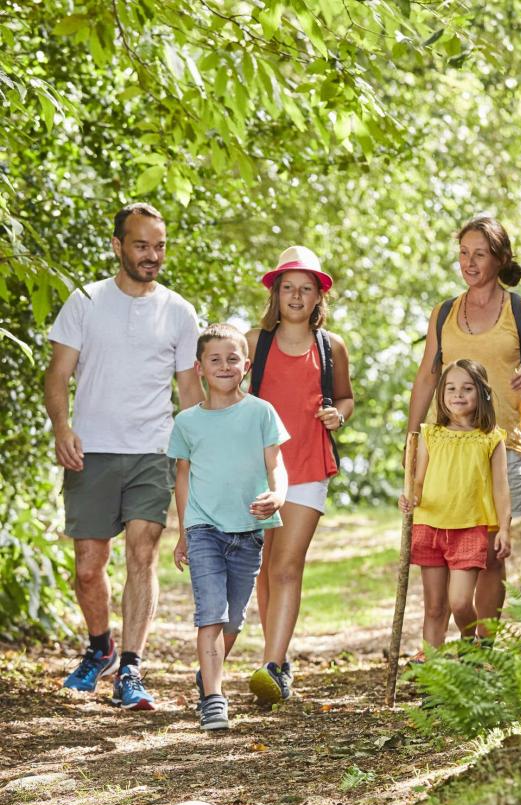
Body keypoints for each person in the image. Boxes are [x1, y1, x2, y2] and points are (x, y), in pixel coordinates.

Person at [45, 202, 203, 710]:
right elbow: (56, 375)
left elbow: (189, 392)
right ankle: (100, 649)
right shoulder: (86, 301)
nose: (152, 255)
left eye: (159, 246)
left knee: (143, 552)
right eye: (141, 245)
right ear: (117, 246)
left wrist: (194, 453)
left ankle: (131, 668)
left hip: (151, 451)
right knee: (89, 567)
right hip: (90, 449)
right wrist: (62, 427)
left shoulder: (179, 311)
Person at [407, 216, 521, 642]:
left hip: (502, 443)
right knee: (448, 538)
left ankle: (485, 648)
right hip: (449, 446)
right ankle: (456, 636)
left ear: (500, 258)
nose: (469, 263)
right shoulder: (444, 313)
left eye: (479, 254)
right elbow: (426, 376)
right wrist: (413, 433)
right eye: (463, 253)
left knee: (491, 551)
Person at [246, 246, 354, 704]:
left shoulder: (332, 347)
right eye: (287, 287)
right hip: (254, 466)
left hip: (309, 464)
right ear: (275, 294)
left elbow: (346, 398)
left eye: (304, 288)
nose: (295, 295)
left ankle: (272, 666)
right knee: (264, 569)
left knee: (287, 565)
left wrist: (338, 417)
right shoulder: (254, 342)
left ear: (317, 297)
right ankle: (279, 657)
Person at [168, 324, 289, 730]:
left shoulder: (261, 412)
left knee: (233, 622)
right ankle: (214, 699)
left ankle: (208, 674)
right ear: (199, 367)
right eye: (214, 360)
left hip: (249, 532)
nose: (224, 366)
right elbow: (182, 478)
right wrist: (184, 531)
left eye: (232, 358)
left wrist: (278, 495)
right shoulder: (187, 423)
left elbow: (277, 465)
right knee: (211, 615)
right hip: (204, 527)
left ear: (246, 365)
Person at [400, 360, 511, 652]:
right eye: (450, 388)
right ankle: (432, 677)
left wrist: (504, 529)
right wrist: (412, 497)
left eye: (467, 388)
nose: (458, 394)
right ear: (441, 394)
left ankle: (469, 642)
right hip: (430, 526)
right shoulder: (430, 434)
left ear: (482, 393)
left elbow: (501, 488)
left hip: (469, 529)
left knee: (460, 602)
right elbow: (420, 481)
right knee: (435, 608)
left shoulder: (490, 438)